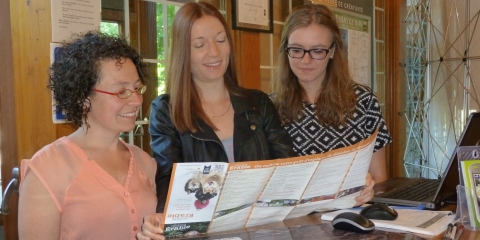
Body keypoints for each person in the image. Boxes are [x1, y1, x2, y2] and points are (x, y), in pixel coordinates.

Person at [138, 2, 294, 239]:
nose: (214, 52)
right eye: (199, 45)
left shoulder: (258, 103)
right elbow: (168, 178)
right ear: (183, 52)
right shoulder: (166, 110)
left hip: (264, 230)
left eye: (220, 40)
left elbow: (287, 168)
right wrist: (162, 216)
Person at [18, 31, 160, 240]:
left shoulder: (145, 163)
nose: (137, 100)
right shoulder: (46, 170)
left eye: (137, 88)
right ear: (83, 98)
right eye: (122, 92)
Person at [271, 4, 393, 204]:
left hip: (349, 220)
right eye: (297, 50)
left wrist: (369, 190)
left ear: (333, 51)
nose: (306, 60)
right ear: (286, 50)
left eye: (317, 50)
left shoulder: (363, 101)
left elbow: (380, 180)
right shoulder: (269, 107)